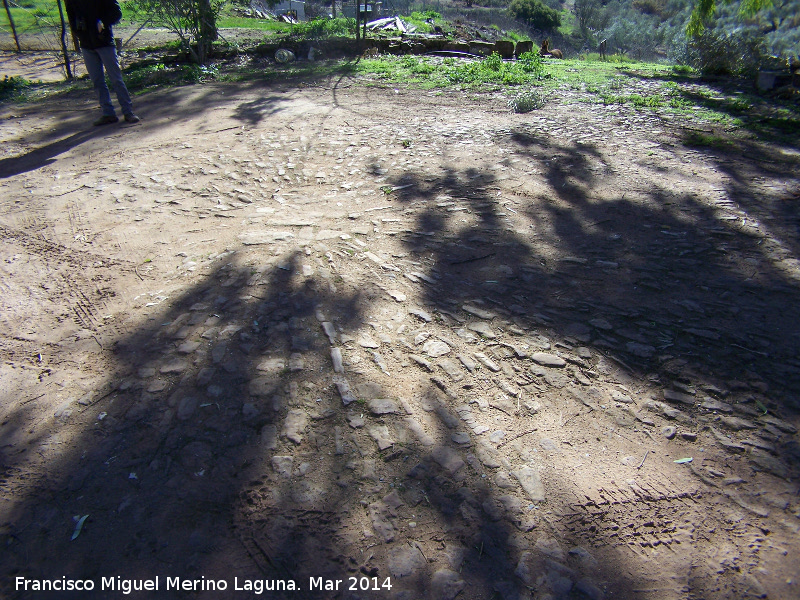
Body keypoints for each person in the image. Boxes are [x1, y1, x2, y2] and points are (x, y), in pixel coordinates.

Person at [65, 0, 140, 125]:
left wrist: (102, 22)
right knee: (97, 81)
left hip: (104, 42)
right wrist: (79, 33)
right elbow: (72, 19)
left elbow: (117, 13)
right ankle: (108, 113)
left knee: (116, 79)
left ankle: (128, 112)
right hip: (86, 44)